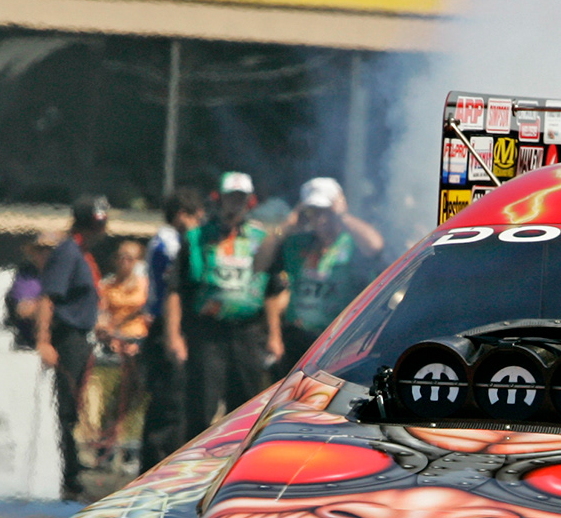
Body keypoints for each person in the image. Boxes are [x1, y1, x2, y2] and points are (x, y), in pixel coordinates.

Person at [171, 172, 273, 440]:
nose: (235, 204)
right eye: (230, 197)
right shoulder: (196, 238)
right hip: (207, 332)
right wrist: (174, 336)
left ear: (250, 201)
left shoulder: (261, 238)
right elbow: (176, 289)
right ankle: (193, 467)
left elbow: (275, 289)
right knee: (201, 405)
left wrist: (274, 334)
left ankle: (240, 468)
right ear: (219, 198)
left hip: (247, 332)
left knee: (247, 406)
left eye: (241, 198)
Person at [256, 176, 384, 372]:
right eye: (313, 213)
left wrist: (343, 215)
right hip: (298, 338)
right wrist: (289, 223)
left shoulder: (352, 243)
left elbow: (376, 246)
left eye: (326, 212)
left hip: (340, 340)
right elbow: (259, 263)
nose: (321, 219)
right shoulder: (297, 243)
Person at [35, 197, 108, 501]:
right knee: (63, 409)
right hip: (66, 338)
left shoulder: (82, 253)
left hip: (81, 336)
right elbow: (47, 298)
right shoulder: (67, 252)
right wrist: (44, 340)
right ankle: (68, 478)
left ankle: (70, 473)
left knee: (71, 408)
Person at [138, 190, 203, 471]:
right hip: (164, 328)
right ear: (182, 215)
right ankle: (155, 463)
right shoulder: (168, 242)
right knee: (169, 403)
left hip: (178, 326)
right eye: (196, 218)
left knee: (183, 402)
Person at [89, 239, 149, 471]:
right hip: (111, 349)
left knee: (134, 401)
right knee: (108, 401)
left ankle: (131, 451)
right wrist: (108, 334)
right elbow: (101, 315)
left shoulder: (145, 287)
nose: (124, 262)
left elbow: (148, 316)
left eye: (130, 258)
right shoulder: (106, 286)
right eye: (120, 257)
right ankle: (105, 449)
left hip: (137, 347)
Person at [5, 230, 60, 350]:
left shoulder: (67, 277)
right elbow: (23, 310)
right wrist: (50, 308)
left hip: (63, 342)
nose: (45, 254)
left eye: (51, 250)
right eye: (40, 250)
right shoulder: (26, 275)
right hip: (29, 344)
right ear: (34, 253)